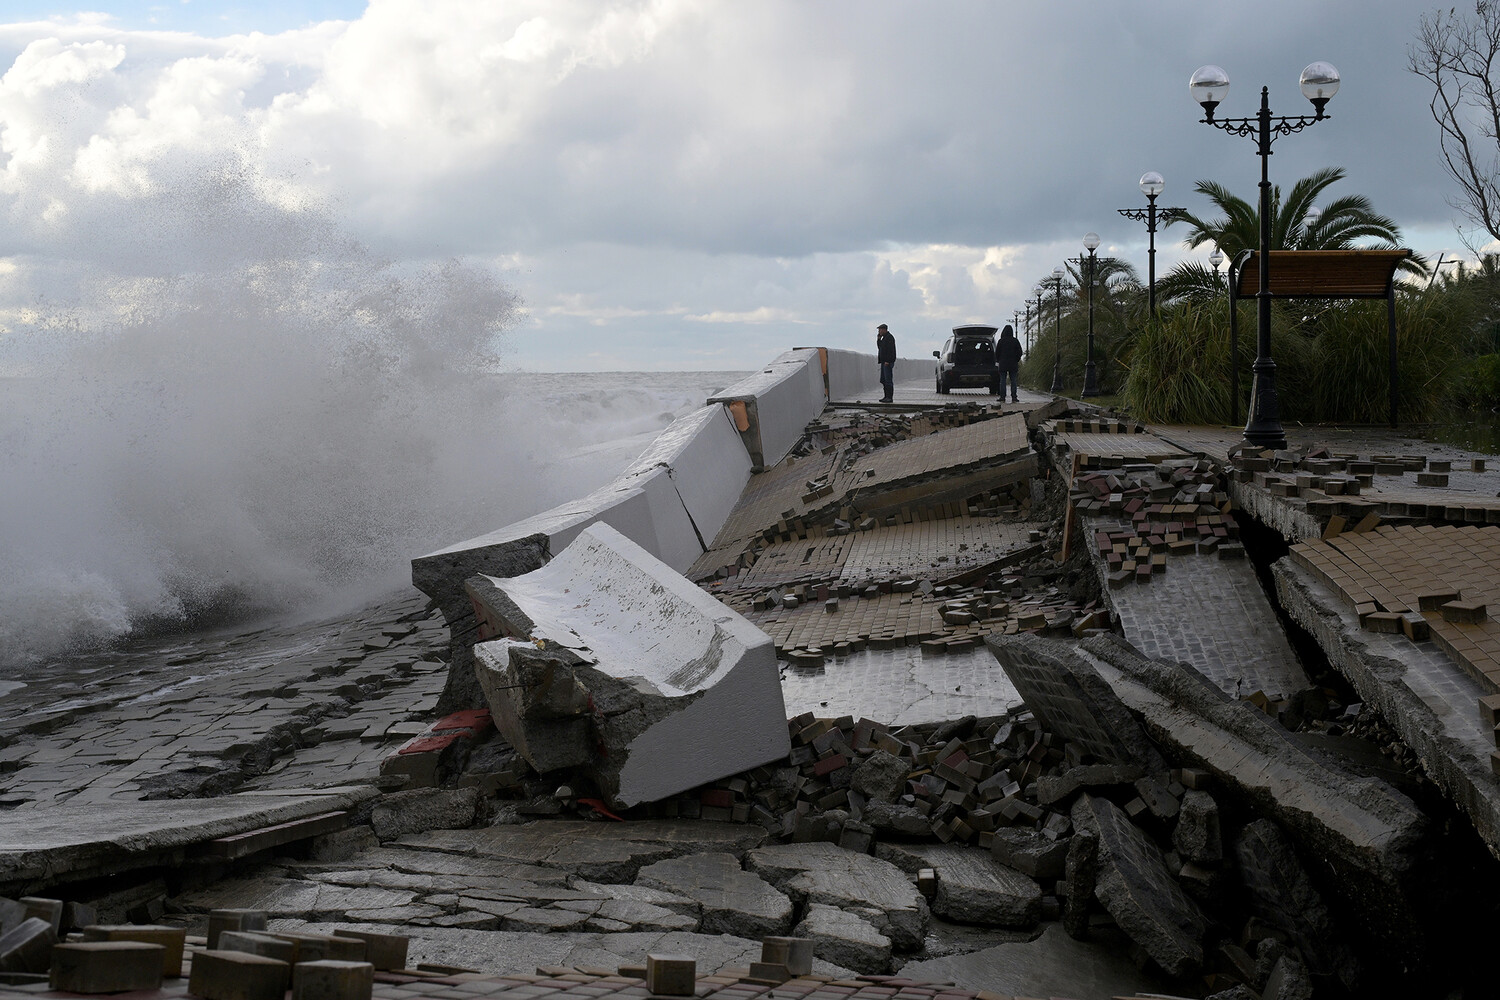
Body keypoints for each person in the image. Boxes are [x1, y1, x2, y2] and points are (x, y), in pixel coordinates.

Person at [996, 324, 1022, 403]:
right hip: (1013, 363)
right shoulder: (1015, 341)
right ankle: (1014, 397)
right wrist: (1017, 359)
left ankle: (1002, 397)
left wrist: (999, 360)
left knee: (1003, 380)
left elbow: (997, 352)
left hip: (1003, 363)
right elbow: (1020, 352)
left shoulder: (1001, 341)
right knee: (1013, 380)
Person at [876, 323, 896, 402]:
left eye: (880, 330)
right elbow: (880, 347)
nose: (879, 331)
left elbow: (891, 350)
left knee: (888, 380)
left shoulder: (889, 338)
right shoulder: (884, 338)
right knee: (883, 380)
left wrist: (888, 360)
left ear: (884, 329)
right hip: (883, 362)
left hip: (887, 362)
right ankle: (886, 396)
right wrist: (878, 339)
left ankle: (889, 397)